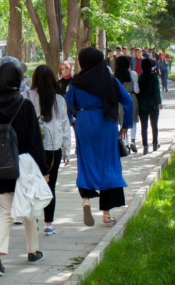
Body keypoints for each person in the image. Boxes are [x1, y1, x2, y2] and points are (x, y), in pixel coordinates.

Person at [0, 62, 47, 276]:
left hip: (0, 168)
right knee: (29, 209)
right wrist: (44, 170)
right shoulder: (25, 105)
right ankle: (33, 251)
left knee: (6, 213)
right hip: (24, 168)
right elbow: (35, 141)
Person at [65, 47, 133, 228]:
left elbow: (68, 106)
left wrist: (72, 119)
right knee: (108, 164)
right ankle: (106, 214)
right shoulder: (109, 79)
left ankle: (86, 200)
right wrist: (125, 125)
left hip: (84, 122)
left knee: (86, 162)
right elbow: (128, 101)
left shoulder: (76, 82)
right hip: (106, 122)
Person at [23, 65, 71, 236]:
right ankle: (48, 224)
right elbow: (64, 124)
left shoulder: (26, 96)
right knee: (50, 185)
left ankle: (33, 221)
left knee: (32, 185)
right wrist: (66, 149)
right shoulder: (59, 99)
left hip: (31, 148)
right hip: (53, 147)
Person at [114, 56, 140, 154]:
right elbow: (137, 89)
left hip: (120, 100)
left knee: (123, 121)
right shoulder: (133, 74)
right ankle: (133, 141)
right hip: (132, 97)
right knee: (133, 120)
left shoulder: (114, 76)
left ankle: (126, 144)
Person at [137, 58, 163, 155]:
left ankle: (145, 146)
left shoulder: (140, 77)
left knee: (144, 126)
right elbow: (157, 91)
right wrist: (159, 102)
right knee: (154, 125)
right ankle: (155, 143)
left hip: (142, 105)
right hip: (153, 105)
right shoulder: (154, 78)